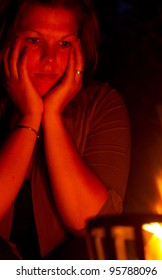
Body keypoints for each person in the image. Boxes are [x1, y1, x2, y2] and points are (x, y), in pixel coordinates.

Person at [0, 0, 130, 259]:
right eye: (34, 40)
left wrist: (52, 116)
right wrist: (30, 116)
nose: (49, 58)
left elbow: (92, 225)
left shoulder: (100, 104)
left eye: (64, 43)